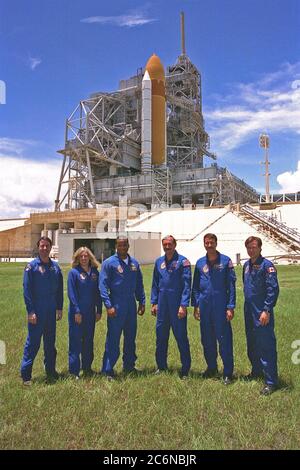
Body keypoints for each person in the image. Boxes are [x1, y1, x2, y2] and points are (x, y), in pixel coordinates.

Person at [192, 233, 236, 384]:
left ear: (216, 243)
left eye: (211, 242)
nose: (209, 245)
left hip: (220, 307)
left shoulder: (226, 261)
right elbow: (196, 287)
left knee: (224, 339)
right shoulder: (199, 263)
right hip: (205, 308)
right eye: (206, 243)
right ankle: (211, 367)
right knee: (207, 339)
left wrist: (230, 307)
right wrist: (196, 305)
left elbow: (231, 286)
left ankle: (228, 373)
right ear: (204, 244)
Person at [99, 237, 145, 379]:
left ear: (128, 245)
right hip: (116, 304)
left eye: (125, 245)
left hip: (130, 304)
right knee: (113, 338)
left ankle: (129, 366)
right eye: (120, 245)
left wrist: (142, 301)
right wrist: (108, 305)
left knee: (130, 337)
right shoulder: (109, 263)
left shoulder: (134, 264)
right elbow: (102, 285)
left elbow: (139, 284)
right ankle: (107, 369)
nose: (123, 247)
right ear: (116, 246)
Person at [20, 236, 63, 385]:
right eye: (42, 246)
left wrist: (59, 308)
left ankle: (50, 371)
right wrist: (30, 311)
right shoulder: (31, 267)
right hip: (37, 311)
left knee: (50, 343)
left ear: (50, 248)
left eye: (47, 246)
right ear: (38, 247)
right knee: (33, 343)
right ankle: (26, 376)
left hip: (51, 311)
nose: (44, 248)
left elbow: (59, 291)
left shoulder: (56, 267)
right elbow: (27, 290)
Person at [151, 235, 192, 378]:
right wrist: (154, 302)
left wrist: (183, 305)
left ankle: (185, 369)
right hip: (162, 306)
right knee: (161, 337)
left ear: (175, 245)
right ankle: (161, 366)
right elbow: (155, 284)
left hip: (177, 306)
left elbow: (187, 285)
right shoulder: (159, 262)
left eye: (170, 244)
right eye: (165, 244)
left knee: (181, 337)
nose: (167, 247)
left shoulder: (183, 262)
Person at [243, 236, 279, 395]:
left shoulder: (267, 266)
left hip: (261, 311)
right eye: (249, 248)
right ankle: (256, 371)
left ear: (260, 248)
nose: (251, 250)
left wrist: (266, 310)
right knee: (252, 343)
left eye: (254, 247)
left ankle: (271, 381)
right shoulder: (246, 265)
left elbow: (273, 290)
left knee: (266, 345)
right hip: (249, 310)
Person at [67, 247, 102, 379]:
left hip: (90, 313)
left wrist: (99, 310)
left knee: (88, 341)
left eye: (85, 256)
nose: (83, 258)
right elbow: (72, 293)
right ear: (77, 258)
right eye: (81, 256)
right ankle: (74, 371)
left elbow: (98, 293)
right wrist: (77, 310)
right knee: (75, 341)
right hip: (77, 313)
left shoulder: (95, 273)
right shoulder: (73, 273)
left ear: (90, 257)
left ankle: (87, 368)